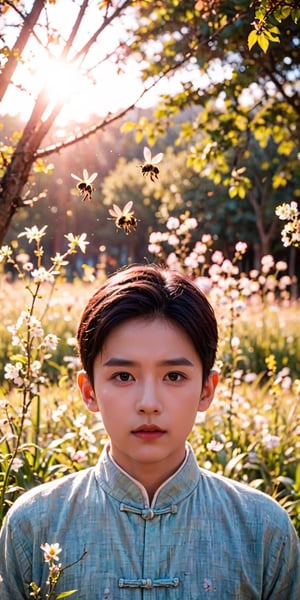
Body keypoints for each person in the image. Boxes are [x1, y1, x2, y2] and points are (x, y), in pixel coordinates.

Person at [0, 264, 299, 599]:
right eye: (123, 376)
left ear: (206, 390)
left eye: (173, 376)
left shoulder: (263, 531)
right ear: (89, 391)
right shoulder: (33, 524)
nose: (148, 403)